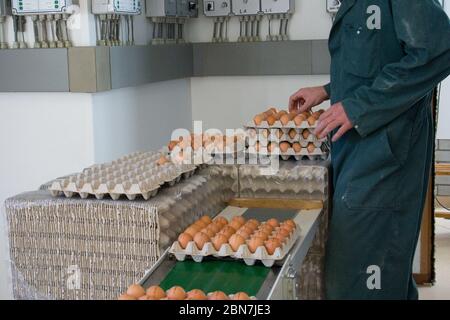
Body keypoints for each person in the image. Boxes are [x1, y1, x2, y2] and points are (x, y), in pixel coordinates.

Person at [289, 0, 450, 299]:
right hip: (362, 151)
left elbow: (438, 51)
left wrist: (358, 106)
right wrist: (328, 90)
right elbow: (375, 62)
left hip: (385, 157)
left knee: (357, 279)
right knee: (381, 275)